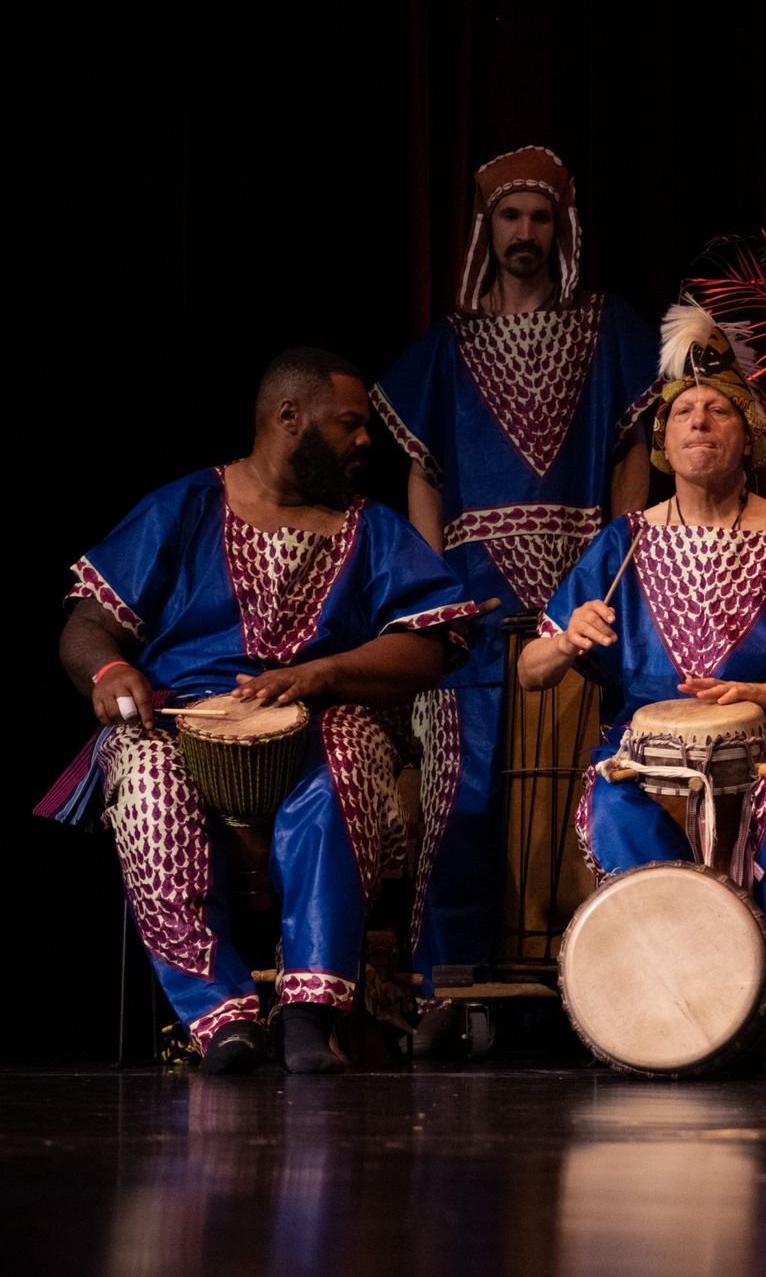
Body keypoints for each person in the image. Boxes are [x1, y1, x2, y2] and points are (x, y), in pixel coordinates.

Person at [48, 349, 476, 1074]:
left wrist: (323, 673)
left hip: (320, 721)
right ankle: (222, 1021)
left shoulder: (369, 528)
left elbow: (429, 648)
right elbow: (87, 624)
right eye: (349, 424)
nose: (365, 440)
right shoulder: (184, 505)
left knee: (343, 753)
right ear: (288, 418)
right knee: (146, 778)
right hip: (181, 722)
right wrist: (111, 669)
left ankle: (311, 1015)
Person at [518, 303, 766, 1070]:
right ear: (661, 440)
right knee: (613, 803)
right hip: (646, 753)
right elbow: (530, 671)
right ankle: (688, 1002)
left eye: (718, 410)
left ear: (750, 432)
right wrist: (567, 640)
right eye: (684, 412)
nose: (699, 423)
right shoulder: (621, 545)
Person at [372, 146, 659, 1017]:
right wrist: (432, 587)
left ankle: (592, 986)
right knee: (460, 792)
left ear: (562, 226)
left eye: (540, 217)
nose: (525, 233)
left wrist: (614, 562)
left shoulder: (610, 328)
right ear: (485, 228)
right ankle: (443, 991)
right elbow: (421, 468)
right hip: (473, 598)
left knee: (572, 788)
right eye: (509, 217)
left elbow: (630, 453)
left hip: (579, 594)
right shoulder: (445, 348)